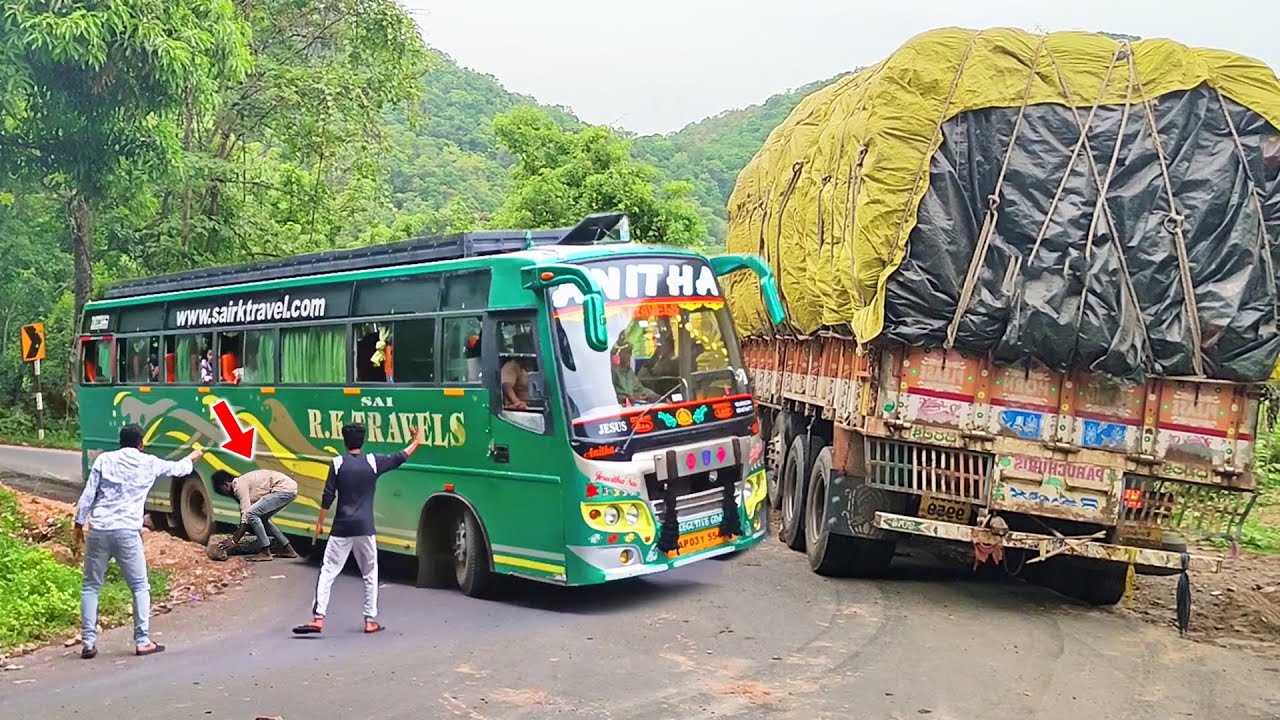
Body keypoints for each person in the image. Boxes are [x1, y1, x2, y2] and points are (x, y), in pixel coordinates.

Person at [74, 424, 203, 659]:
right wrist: (192, 457)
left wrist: (78, 523)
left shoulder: (104, 460)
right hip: (127, 532)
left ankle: (88, 642)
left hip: (100, 529)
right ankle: (142, 641)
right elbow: (178, 469)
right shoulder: (149, 462)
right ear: (141, 444)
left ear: (120, 441)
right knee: (140, 587)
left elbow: (88, 494)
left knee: (91, 586)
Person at [293, 422, 426, 636]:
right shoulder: (373, 462)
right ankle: (370, 620)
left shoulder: (337, 463)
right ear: (362, 441)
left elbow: (328, 495)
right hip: (365, 528)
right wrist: (416, 441)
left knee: (328, 571)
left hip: (341, 528)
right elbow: (399, 457)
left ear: (344, 441)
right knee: (370, 573)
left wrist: (320, 523)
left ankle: (318, 618)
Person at [211, 469, 300, 562]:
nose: (224, 494)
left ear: (226, 485)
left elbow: (246, 515)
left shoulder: (238, 485)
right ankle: (288, 549)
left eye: (222, 490)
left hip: (283, 489)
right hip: (289, 489)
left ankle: (265, 552)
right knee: (262, 518)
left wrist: (234, 540)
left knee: (251, 514)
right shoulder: (245, 484)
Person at [500, 332, 534, 410]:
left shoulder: (535, 363)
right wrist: (517, 402)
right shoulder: (511, 366)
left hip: (537, 404)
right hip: (521, 409)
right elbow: (507, 387)